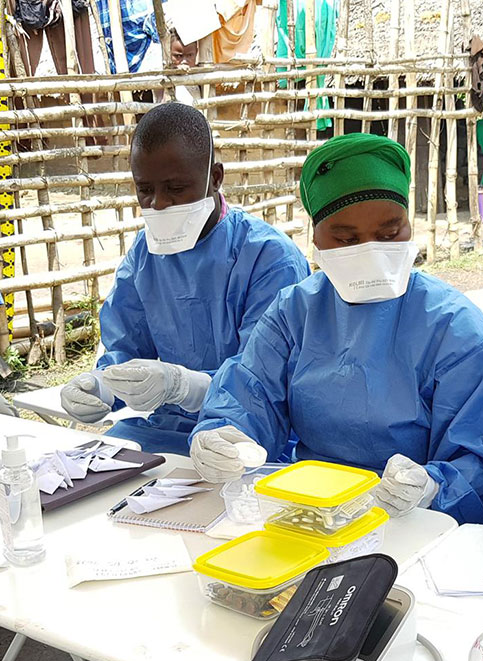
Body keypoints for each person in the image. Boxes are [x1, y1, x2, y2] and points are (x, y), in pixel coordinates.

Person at [189, 133, 483, 526]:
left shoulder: (456, 332)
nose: (369, 251)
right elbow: (248, 395)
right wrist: (221, 434)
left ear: (409, 226)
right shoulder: (294, 315)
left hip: (433, 526)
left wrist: (434, 486)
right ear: (314, 237)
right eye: (346, 239)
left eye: (388, 234)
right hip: (315, 516)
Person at [60, 102, 311, 456]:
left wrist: (185, 386)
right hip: (165, 432)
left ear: (216, 177)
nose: (159, 204)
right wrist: (102, 386)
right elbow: (124, 346)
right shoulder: (146, 254)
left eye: (176, 188)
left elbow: (264, 382)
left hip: (248, 437)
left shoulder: (269, 258)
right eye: (144, 189)